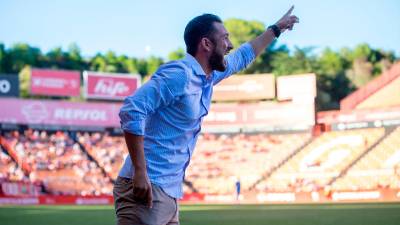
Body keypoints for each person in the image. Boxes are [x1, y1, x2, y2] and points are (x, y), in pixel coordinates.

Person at [113, 6, 299, 225]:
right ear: (206, 44)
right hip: (146, 189)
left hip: (168, 193)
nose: (229, 45)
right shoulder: (180, 75)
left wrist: (276, 29)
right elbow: (132, 109)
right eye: (225, 39)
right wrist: (140, 172)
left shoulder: (208, 77)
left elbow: (243, 56)